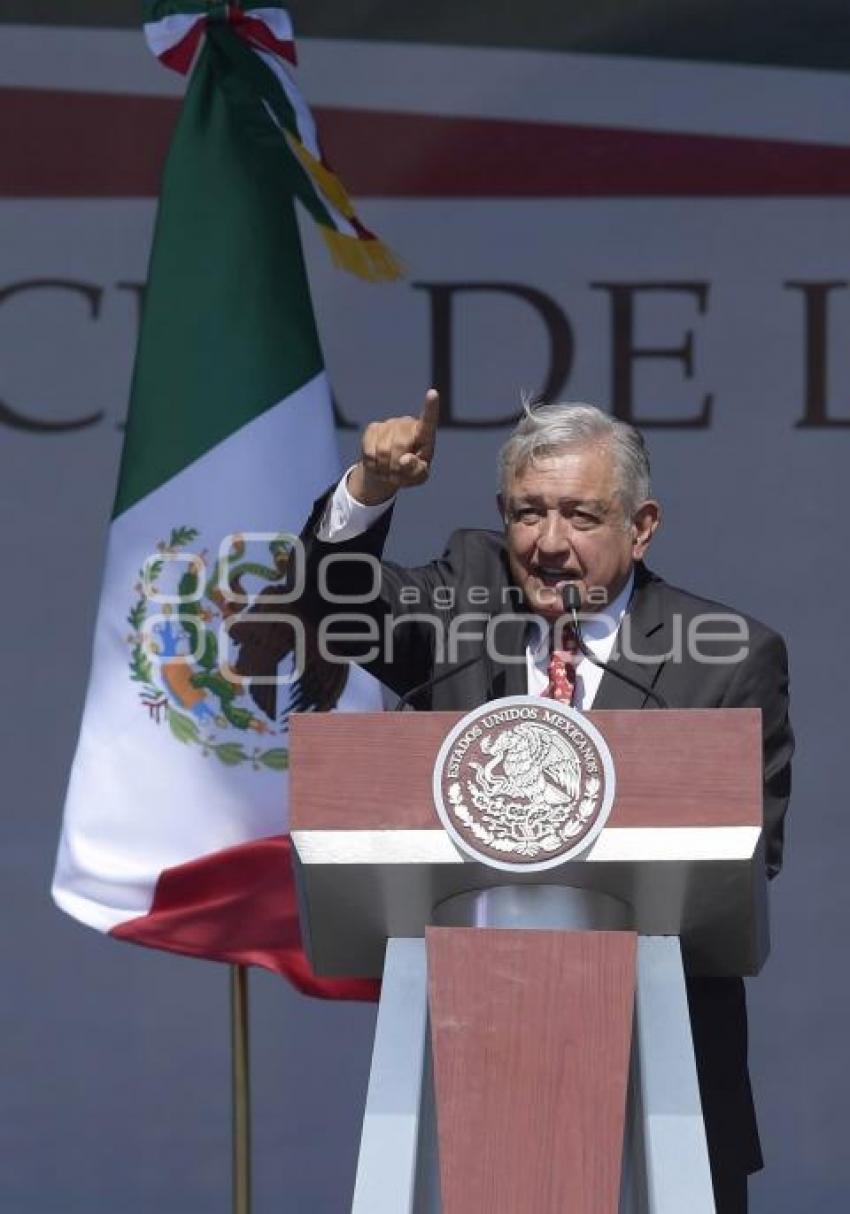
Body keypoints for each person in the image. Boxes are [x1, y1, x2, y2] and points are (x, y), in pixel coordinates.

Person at [237, 390, 793, 1212]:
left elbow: (750, 860)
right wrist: (369, 490)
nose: (550, 544)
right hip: (472, 1056)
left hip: (666, 1073)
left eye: (580, 515)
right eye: (528, 514)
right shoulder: (461, 599)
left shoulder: (729, 658)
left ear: (641, 527)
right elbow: (331, 605)